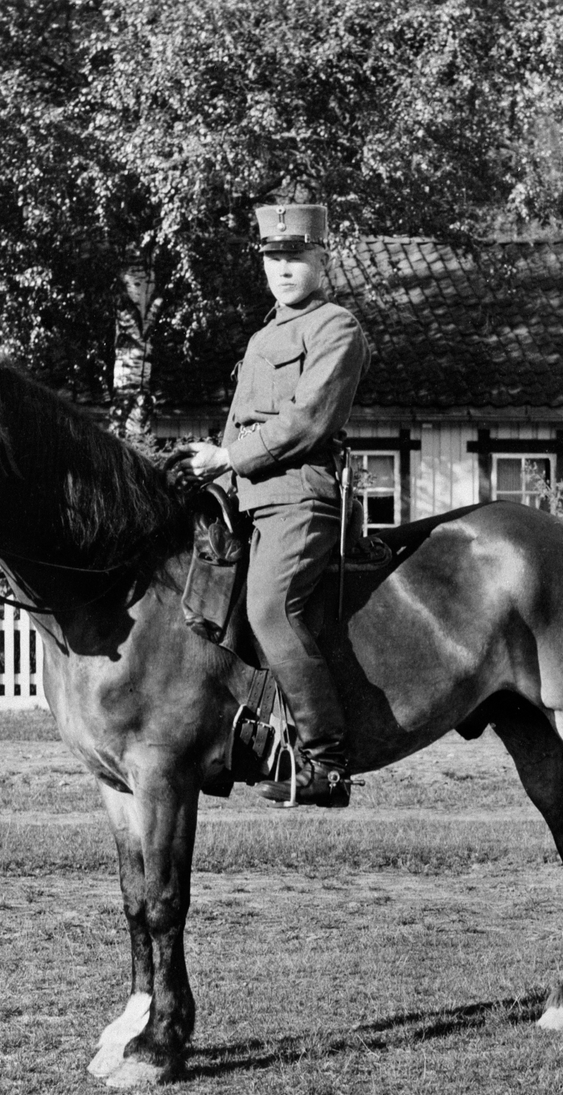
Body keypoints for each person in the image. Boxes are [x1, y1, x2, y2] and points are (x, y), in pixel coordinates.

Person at [176, 203, 370, 803]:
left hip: (297, 498)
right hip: (246, 499)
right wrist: (207, 465)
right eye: (274, 258)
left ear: (322, 260)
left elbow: (308, 421)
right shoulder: (265, 334)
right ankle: (231, 740)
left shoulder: (336, 327)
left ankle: (326, 762)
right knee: (199, 605)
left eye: (297, 256)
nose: (284, 268)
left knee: (269, 611)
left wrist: (229, 458)